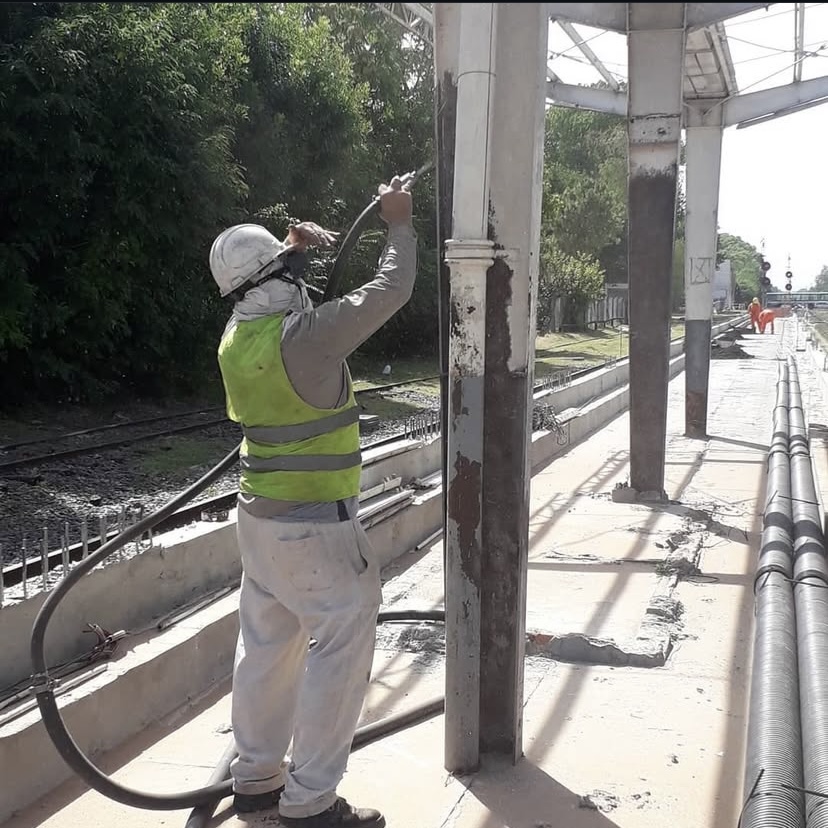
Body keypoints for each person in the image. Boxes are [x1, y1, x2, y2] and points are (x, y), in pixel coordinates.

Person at [209, 176, 416, 828]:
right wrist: (400, 223)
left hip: (258, 521)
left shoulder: (236, 341)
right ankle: (311, 805)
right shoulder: (307, 338)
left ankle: (255, 785)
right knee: (341, 642)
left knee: (268, 650)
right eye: (285, 263)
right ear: (273, 277)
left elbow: (287, 294)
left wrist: (293, 250)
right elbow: (391, 290)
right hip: (313, 529)